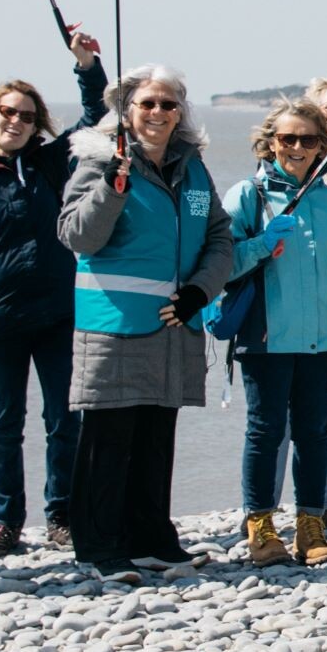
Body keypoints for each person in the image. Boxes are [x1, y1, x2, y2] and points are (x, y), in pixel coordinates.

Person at [59, 65, 234, 571]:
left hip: (176, 325)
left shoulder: (192, 167)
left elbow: (219, 237)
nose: (158, 112)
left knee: (156, 436)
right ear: (126, 110)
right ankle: (100, 547)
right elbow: (76, 236)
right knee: (108, 439)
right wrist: (110, 191)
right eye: (148, 104)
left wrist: (201, 291)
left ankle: (152, 538)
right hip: (113, 324)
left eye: (168, 104)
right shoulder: (99, 161)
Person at [0, 35, 109, 555]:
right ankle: (6, 522)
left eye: (25, 115)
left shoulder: (48, 163)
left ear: (36, 122)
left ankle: (61, 514)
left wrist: (87, 65)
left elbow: (95, 116)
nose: (15, 122)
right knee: (4, 424)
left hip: (57, 314)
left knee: (64, 418)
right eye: (6, 112)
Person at [224, 100, 327, 558]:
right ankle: (261, 528)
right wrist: (261, 246)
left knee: (313, 431)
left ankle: (311, 528)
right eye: (288, 138)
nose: (298, 147)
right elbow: (219, 263)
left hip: (321, 337)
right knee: (264, 430)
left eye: (308, 139)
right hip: (264, 335)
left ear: (322, 146)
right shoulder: (247, 196)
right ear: (271, 143)